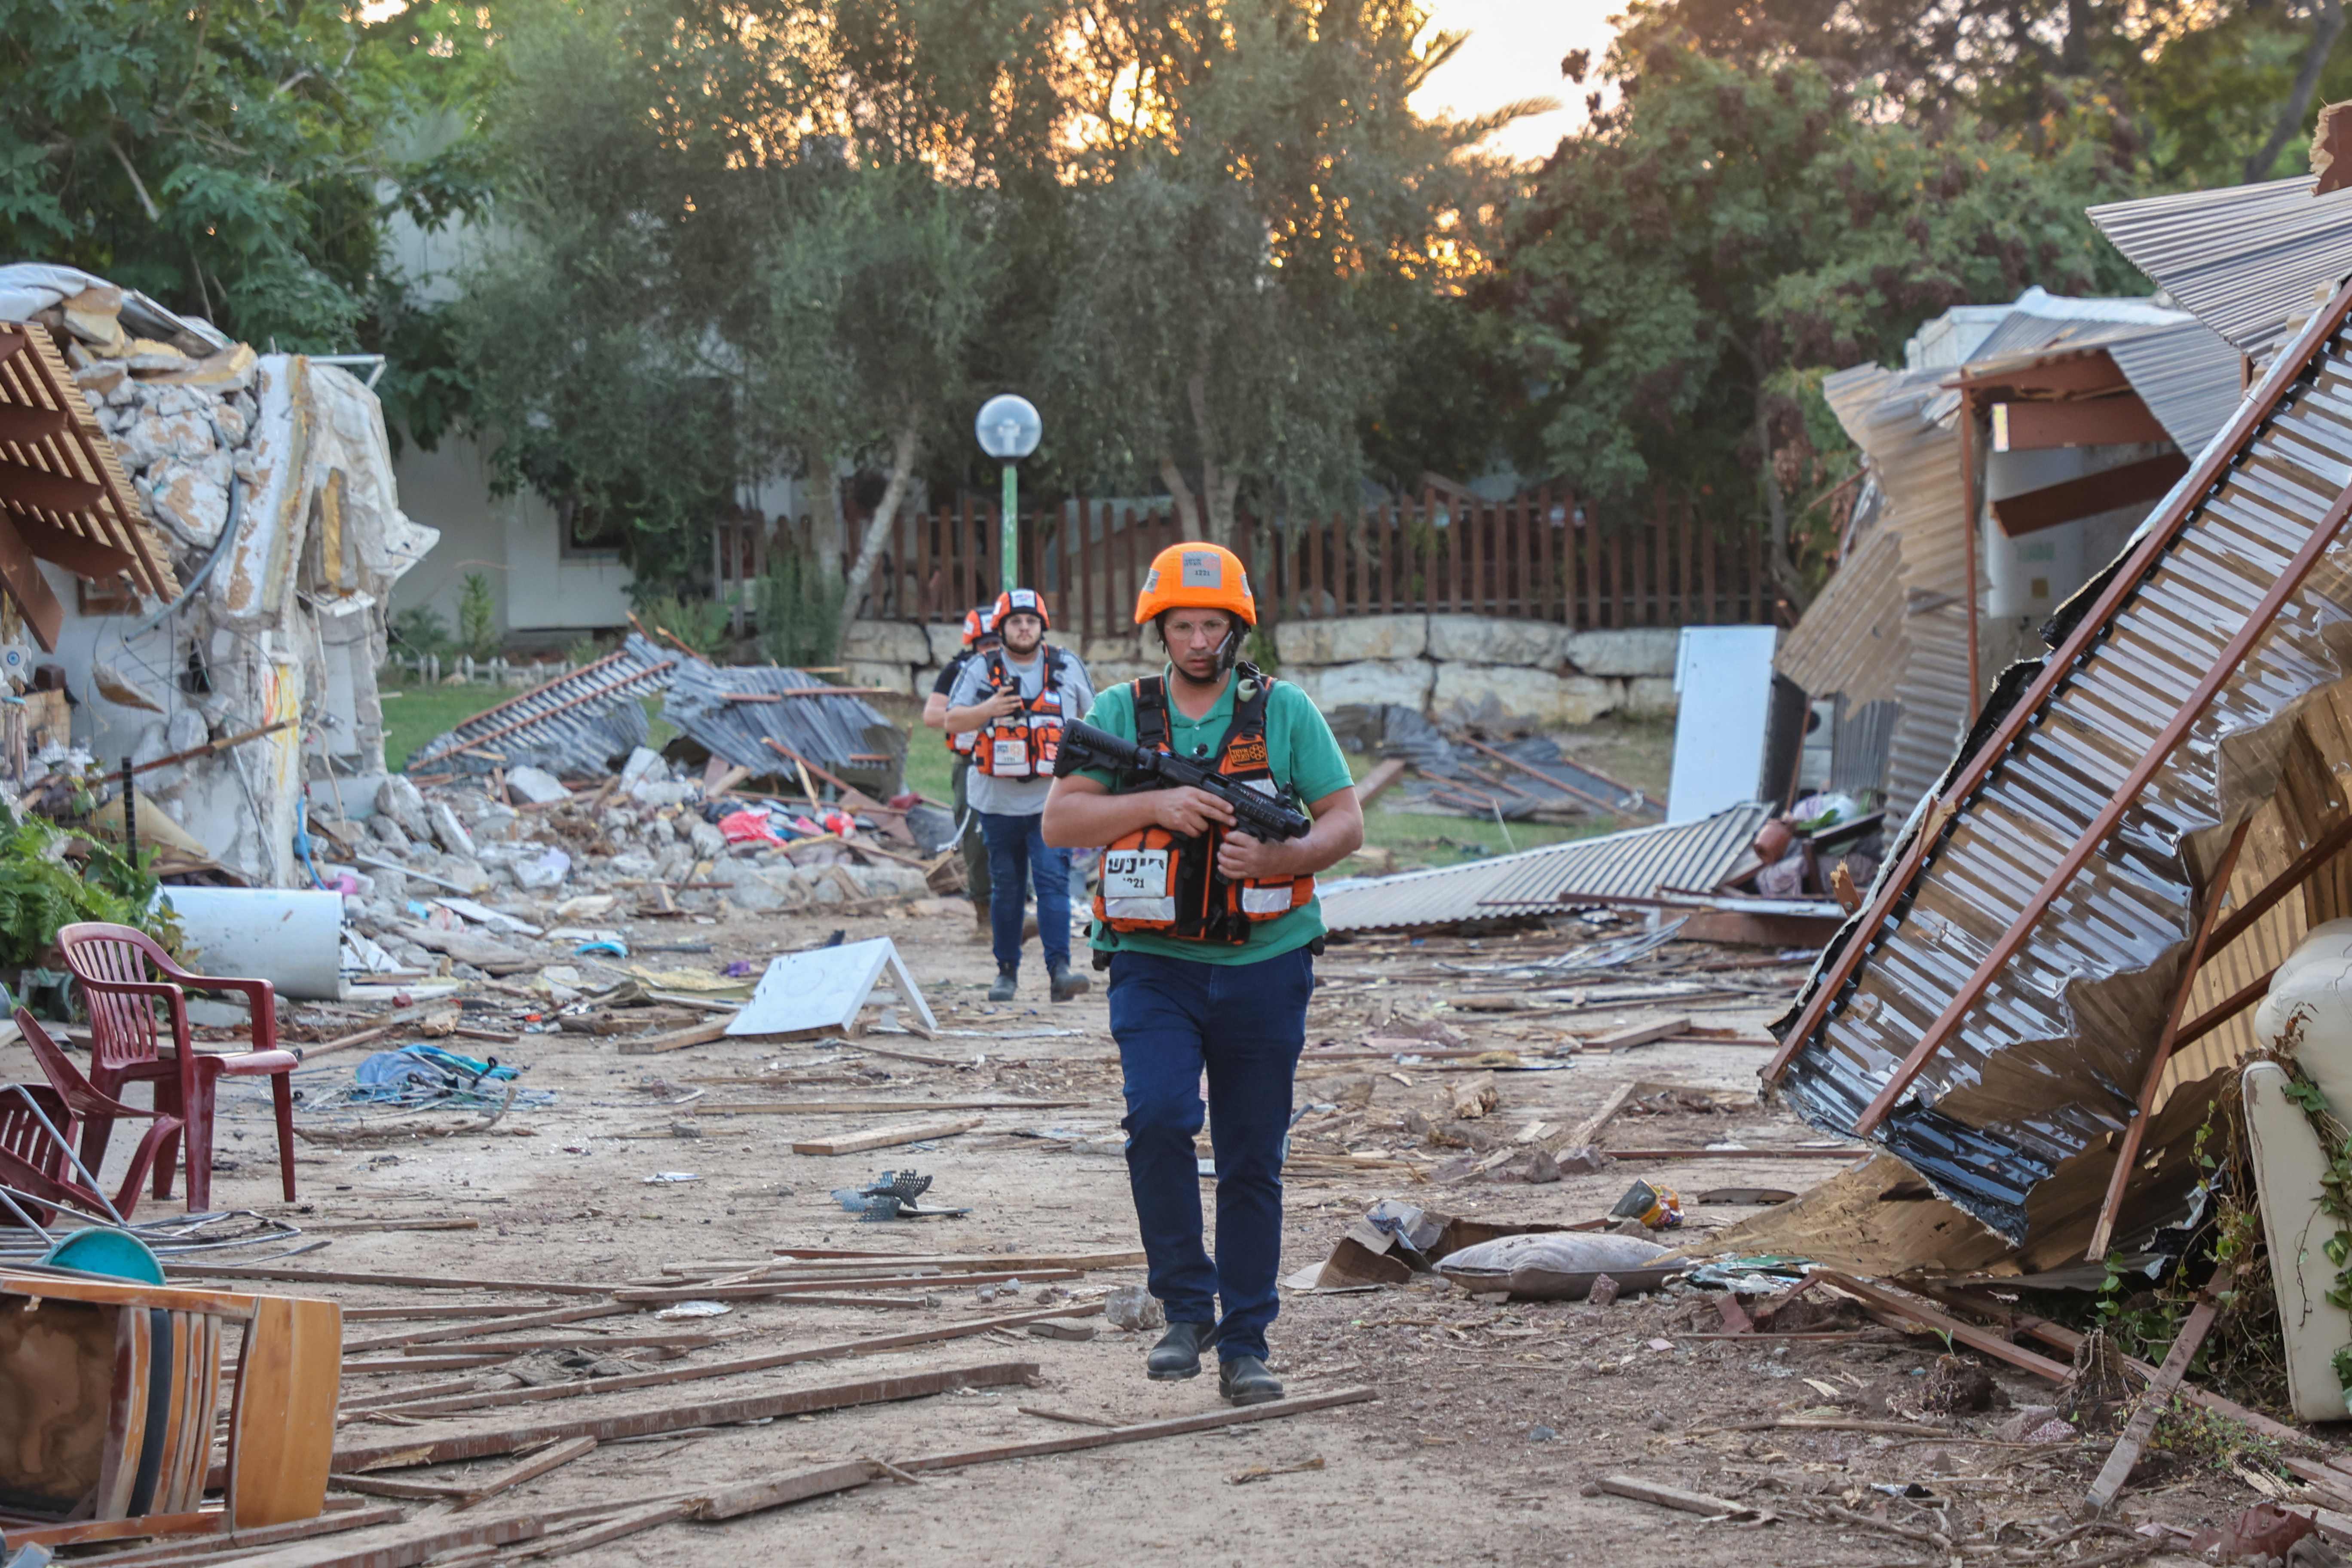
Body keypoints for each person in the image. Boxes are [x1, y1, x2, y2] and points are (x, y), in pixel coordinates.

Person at [1041, 542, 1363, 1407]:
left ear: (1236, 628)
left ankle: (1246, 1340)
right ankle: (1186, 1305)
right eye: (1180, 625)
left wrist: (1279, 856)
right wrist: (1155, 804)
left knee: (1254, 1159)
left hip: (1266, 967)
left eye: (1211, 625)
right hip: (1154, 967)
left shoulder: (1285, 711)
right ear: (1159, 629)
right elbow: (1061, 822)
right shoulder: (1121, 710)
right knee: (1158, 1118)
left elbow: (1346, 822)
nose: (1196, 640)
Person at [945, 587, 1096, 1003]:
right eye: (1016, 622)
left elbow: (1096, 720)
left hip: (1052, 801)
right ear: (1002, 628)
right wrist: (989, 709)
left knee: (1053, 883)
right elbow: (952, 719)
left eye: (1031, 621)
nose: (1024, 628)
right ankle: (1006, 972)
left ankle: (1060, 971)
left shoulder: (1067, 666)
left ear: (1042, 627)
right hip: (996, 802)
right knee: (1006, 886)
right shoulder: (980, 669)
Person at [922, 605, 997, 937]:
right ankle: (984, 916)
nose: (992, 650)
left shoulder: (1030, 668)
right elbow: (933, 716)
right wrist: (978, 713)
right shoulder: (958, 671)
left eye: (998, 642)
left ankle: (1020, 910)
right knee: (974, 839)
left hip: (1020, 766)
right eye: (985, 644)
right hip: (972, 764)